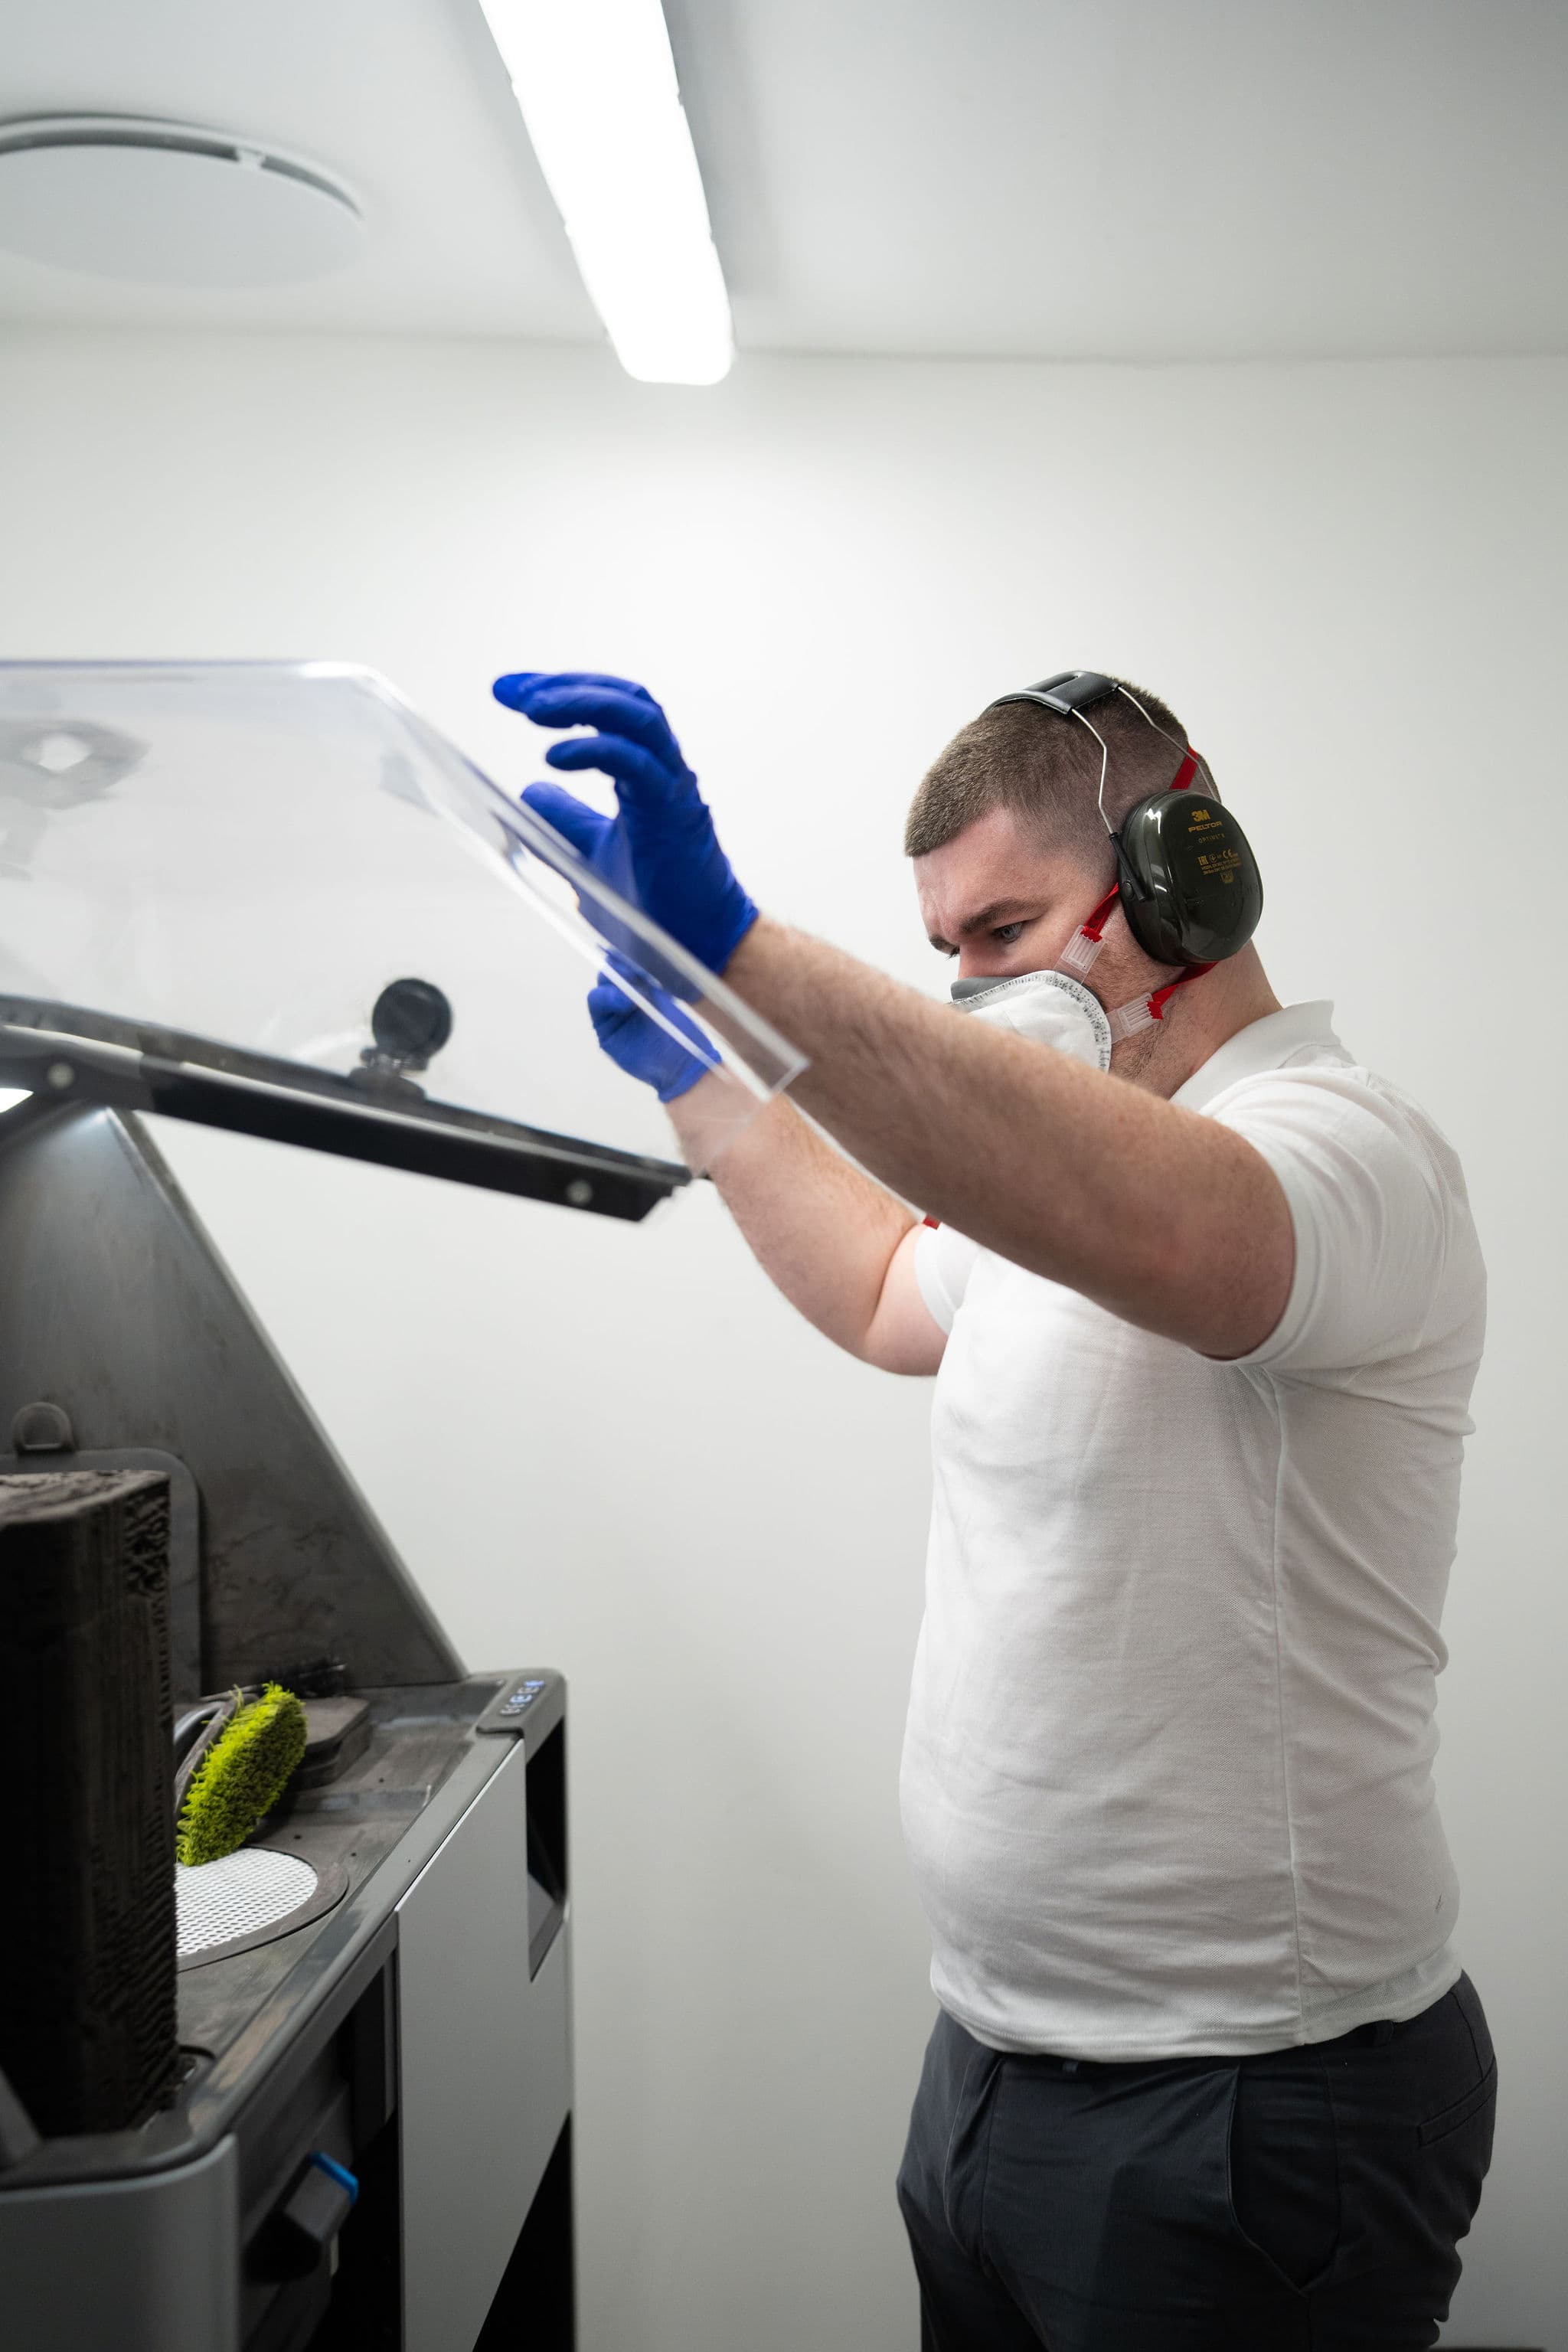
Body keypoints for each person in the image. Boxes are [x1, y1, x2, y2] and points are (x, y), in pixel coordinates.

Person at [495, 665, 1496, 2350]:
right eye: (945, 943)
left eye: (1004, 930)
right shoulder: (1058, 1193)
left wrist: (737, 951)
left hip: (1253, 2100)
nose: (968, 987)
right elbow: (895, 1284)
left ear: (1183, 876)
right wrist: (705, 1076)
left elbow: (1173, 1240)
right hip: (993, 2068)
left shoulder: (1339, 1156)